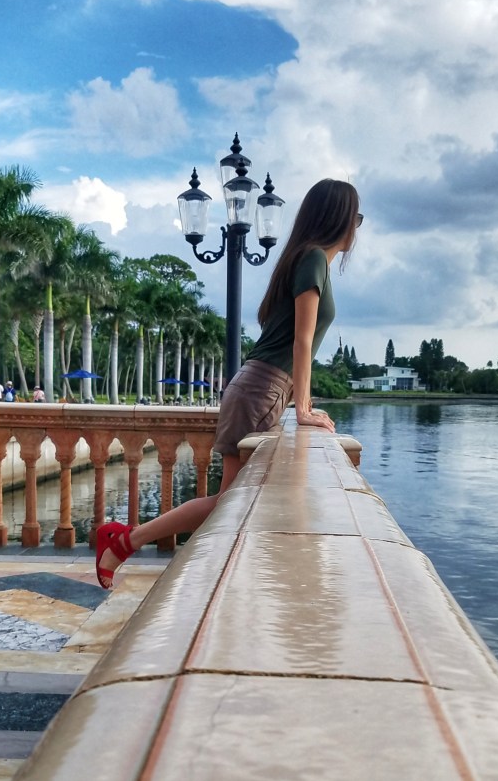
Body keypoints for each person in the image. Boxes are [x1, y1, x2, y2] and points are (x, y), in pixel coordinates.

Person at [96, 178, 361, 589]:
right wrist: (303, 409)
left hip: (263, 389)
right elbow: (302, 341)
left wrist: (299, 404)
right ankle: (129, 542)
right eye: (356, 218)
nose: (357, 228)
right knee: (231, 503)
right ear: (340, 218)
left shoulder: (308, 261)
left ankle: (132, 543)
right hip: (262, 389)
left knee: (235, 501)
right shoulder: (311, 260)